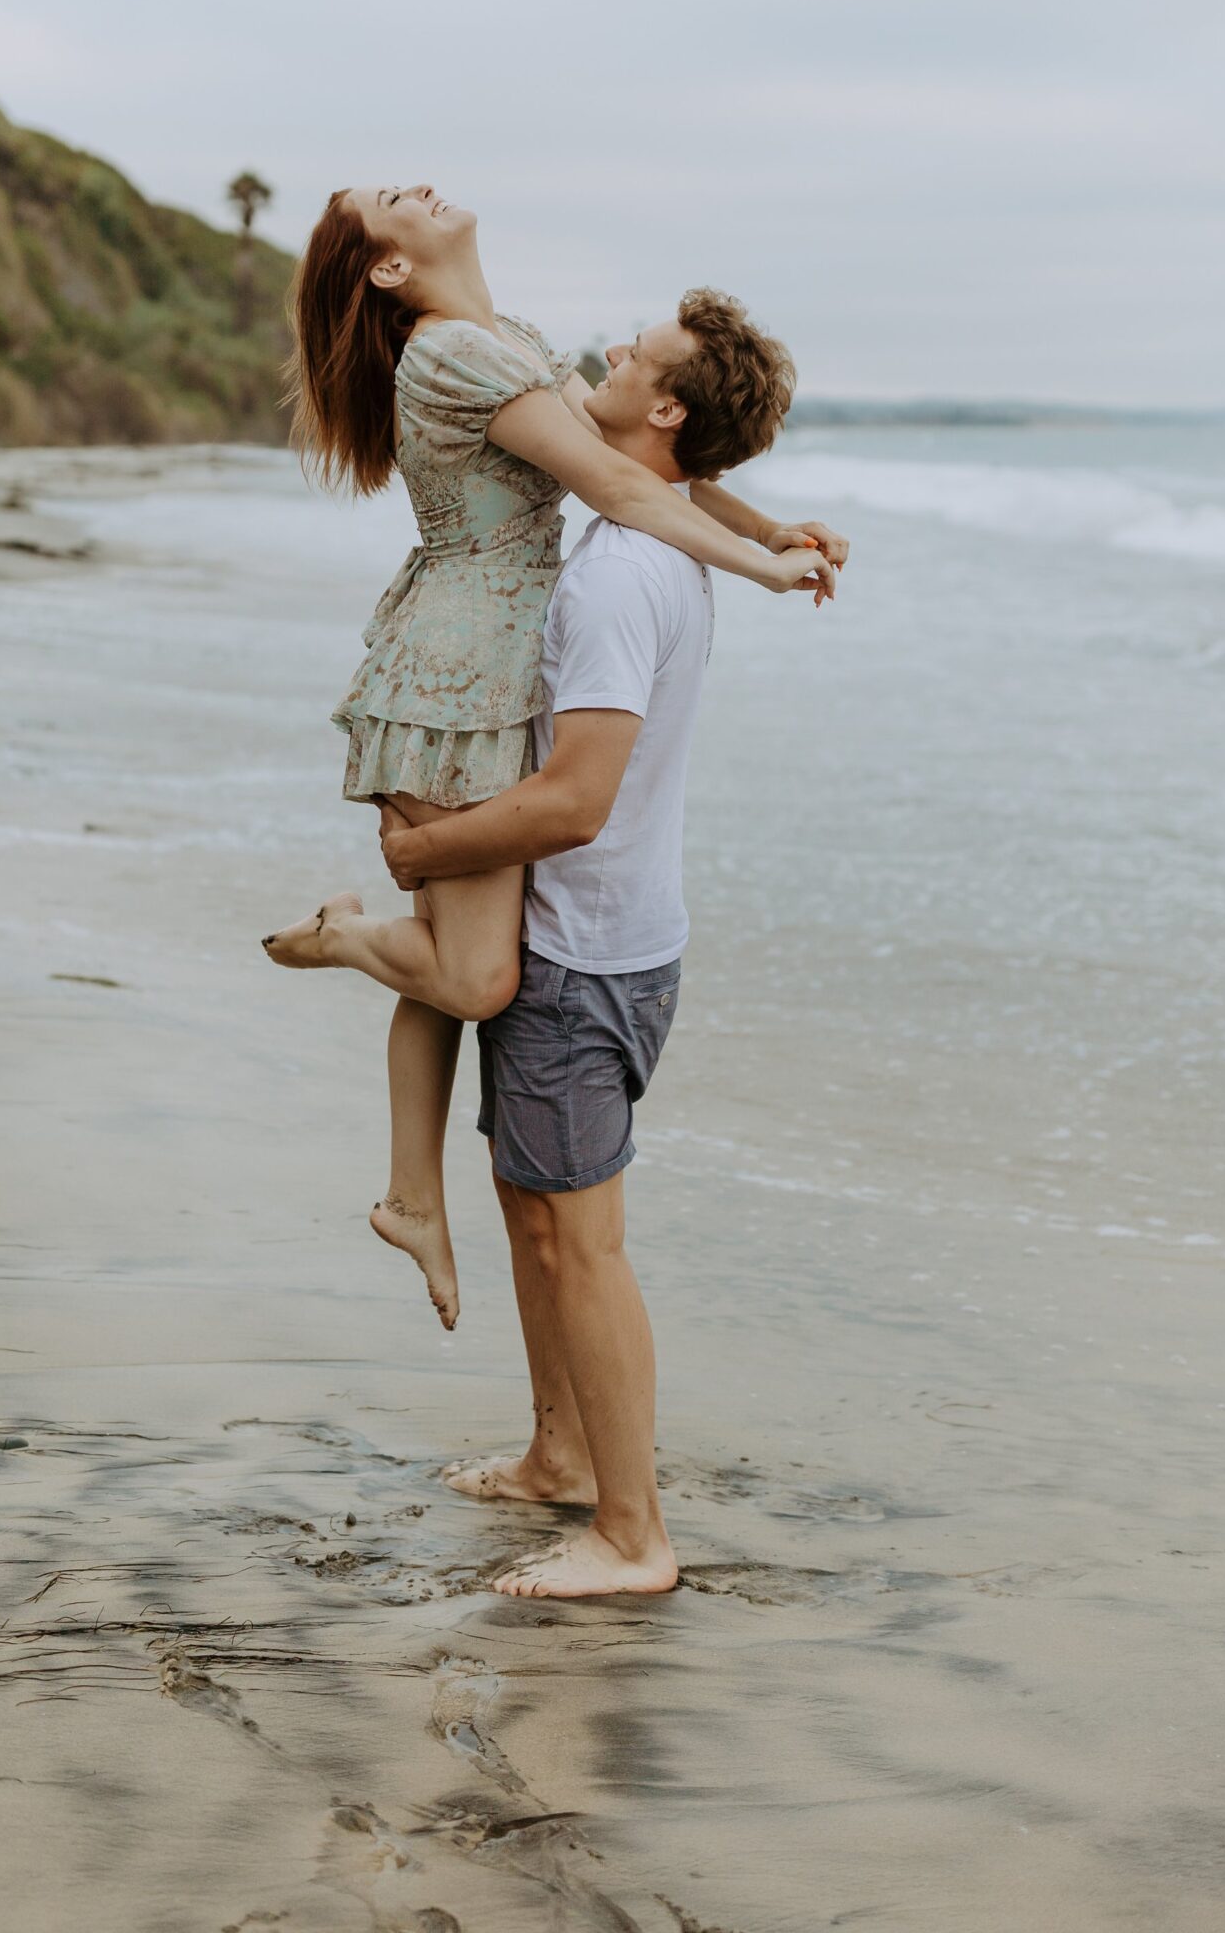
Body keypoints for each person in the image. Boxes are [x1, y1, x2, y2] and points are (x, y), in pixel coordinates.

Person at [262, 186, 844, 1331]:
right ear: (387, 269)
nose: (419, 188)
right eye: (393, 202)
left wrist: (768, 527)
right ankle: (343, 937)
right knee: (474, 973)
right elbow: (616, 483)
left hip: (491, 675)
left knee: (454, 948)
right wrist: (758, 570)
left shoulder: (507, 338)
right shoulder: (448, 356)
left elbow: (647, 461)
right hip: (452, 681)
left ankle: (411, 1196)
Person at [376, 300, 843, 1596]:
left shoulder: (621, 576)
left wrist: (425, 853)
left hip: (584, 955)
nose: (601, 362)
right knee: (533, 1222)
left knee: (580, 1246)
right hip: (592, 937)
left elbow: (574, 799)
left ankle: (630, 1534)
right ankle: (559, 1459)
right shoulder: (639, 538)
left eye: (629, 360)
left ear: (667, 412)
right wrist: (773, 535)